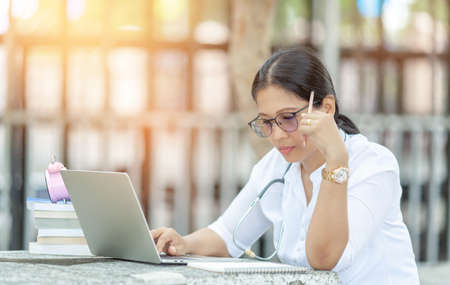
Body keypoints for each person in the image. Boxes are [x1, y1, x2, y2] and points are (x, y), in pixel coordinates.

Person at [151, 47, 419, 284]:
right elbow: (227, 235)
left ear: (326, 108)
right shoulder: (276, 166)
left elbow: (324, 259)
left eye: (288, 117)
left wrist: (336, 161)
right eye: (267, 122)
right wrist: (183, 244)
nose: (277, 135)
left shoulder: (374, 164)